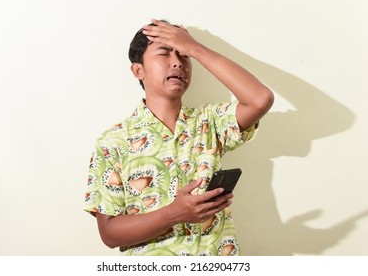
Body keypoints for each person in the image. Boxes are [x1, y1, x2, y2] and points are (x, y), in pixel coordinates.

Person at [83, 19, 274, 256]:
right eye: (164, 53)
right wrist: (175, 213)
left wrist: (195, 48)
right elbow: (110, 234)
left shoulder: (210, 121)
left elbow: (260, 99)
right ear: (138, 70)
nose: (177, 62)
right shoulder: (113, 142)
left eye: (183, 56)